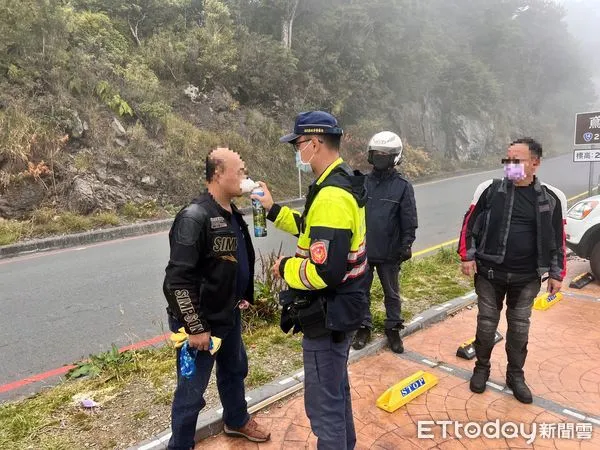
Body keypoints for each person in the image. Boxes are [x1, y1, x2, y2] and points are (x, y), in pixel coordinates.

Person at [251, 111, 369, 450]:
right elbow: (312, 230)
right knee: (336, 391)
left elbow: (325, 272)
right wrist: (273, 210)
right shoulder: (340, 181)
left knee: (323, 406)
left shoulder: (332, 196)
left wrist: (286, 268)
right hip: (345, 308)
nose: (296, 152)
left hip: (329, 315)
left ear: (314, 144)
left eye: (298, 144)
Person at [162, 148, 271, 450]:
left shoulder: (232, 213)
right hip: (200, 323)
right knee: (191, 392)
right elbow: (177, 281)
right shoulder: (194, 217)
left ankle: (236, 420)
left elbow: (230, 263)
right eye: (240, 171)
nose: (245, 177)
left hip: (228, 313)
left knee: (235, 369)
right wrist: (196, 327)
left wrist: (242, 295)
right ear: (219, 174)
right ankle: (181, 445)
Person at [457, 137, 567, 404]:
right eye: (507, 159)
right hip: (490, 275)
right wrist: (466, 256)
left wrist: (556, 273)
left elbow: (557, 238)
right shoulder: (490, 190)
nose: (510, 165)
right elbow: (469, 224)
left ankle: (515, 375)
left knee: (519, 330)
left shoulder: (551, 199)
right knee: (485, 326)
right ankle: (481, 369)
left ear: (535, 163)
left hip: (526, 278)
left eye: (516, 160)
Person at [351, 131, 418, 353]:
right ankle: (363, 327)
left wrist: (406, 245)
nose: (380, 157)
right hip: (364, 250)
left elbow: (409, 219)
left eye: (385, 154)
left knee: (392, 293)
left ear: (395, 157)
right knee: (361, 291)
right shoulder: (362, 183)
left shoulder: (402, 186)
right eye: (376, 153)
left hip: (390, 252)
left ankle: (393, 328)